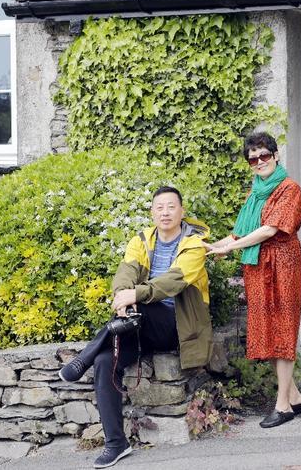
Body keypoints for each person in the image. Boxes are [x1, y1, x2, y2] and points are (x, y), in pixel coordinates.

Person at [58, 186, 212, 468]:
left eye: (171, 207)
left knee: (142, 304)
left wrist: (135, 295)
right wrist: (122, 295)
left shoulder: (194, 244)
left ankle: (83, 357)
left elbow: (173, 282)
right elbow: (126, 271)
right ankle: (116, 443)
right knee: (106, 361)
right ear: (152, 212)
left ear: (182, 211)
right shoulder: (141, 240)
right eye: (159, 207)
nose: (165, 212)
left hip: (177, 326)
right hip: (140, 324)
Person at [205, 131, 301, 429]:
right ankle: (295, 396)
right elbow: (240, 232)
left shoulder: (290, 189)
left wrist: (231, 248)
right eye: (253, 159)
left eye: (264, 155)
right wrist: (213, 246)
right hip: (258, 269)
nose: (259, 162)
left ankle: (283, 406)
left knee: (283, 330)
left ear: (275, 155)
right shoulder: (255, 193)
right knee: (269, 331)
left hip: (283, 267)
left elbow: (269, 230)